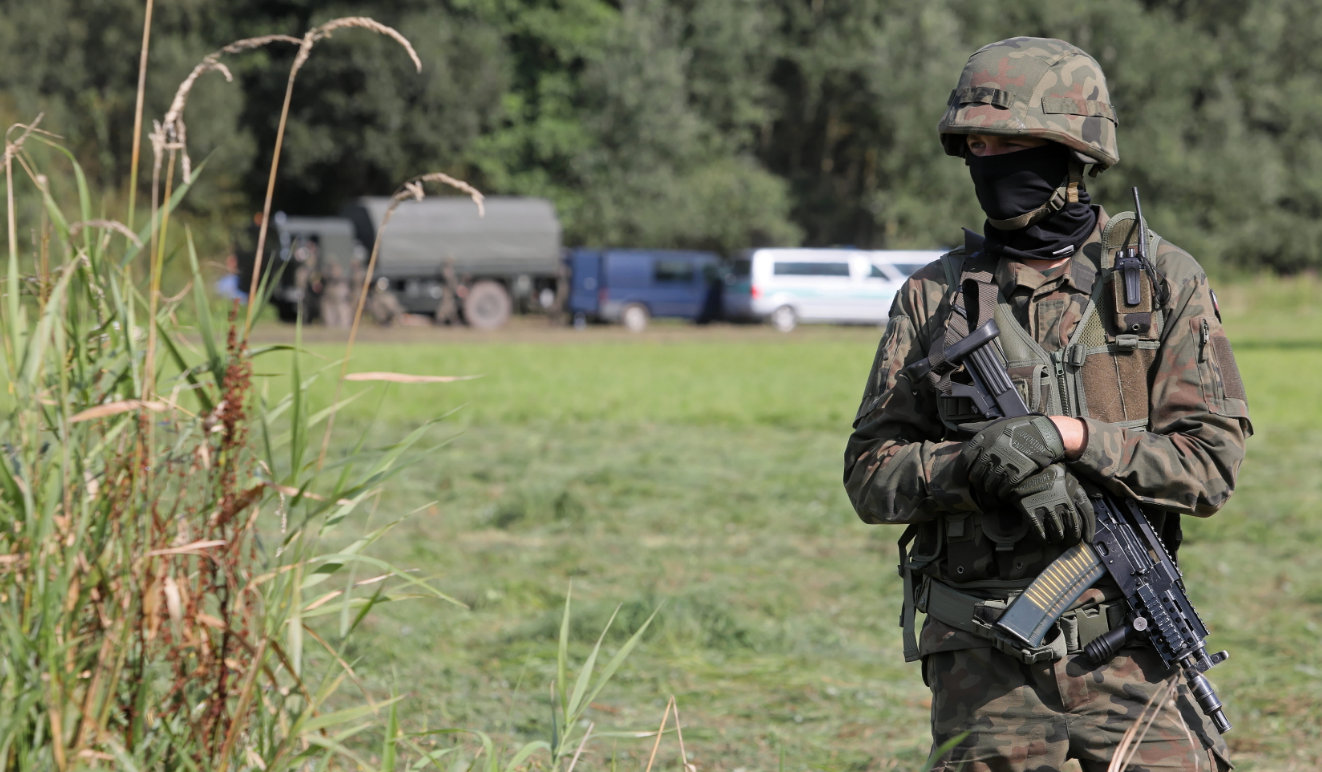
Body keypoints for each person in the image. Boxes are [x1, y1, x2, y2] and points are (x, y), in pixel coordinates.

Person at [843, 37, 1251, 771]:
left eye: (1011, 142)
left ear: (1072, 152)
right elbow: (871, 475)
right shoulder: (935, 297)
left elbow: (1210, 467)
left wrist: (1069, 437)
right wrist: (981, 466)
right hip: (986, 663)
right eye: (975, 143)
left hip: (1134, 652)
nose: (988, 158)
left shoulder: (1159, 282)